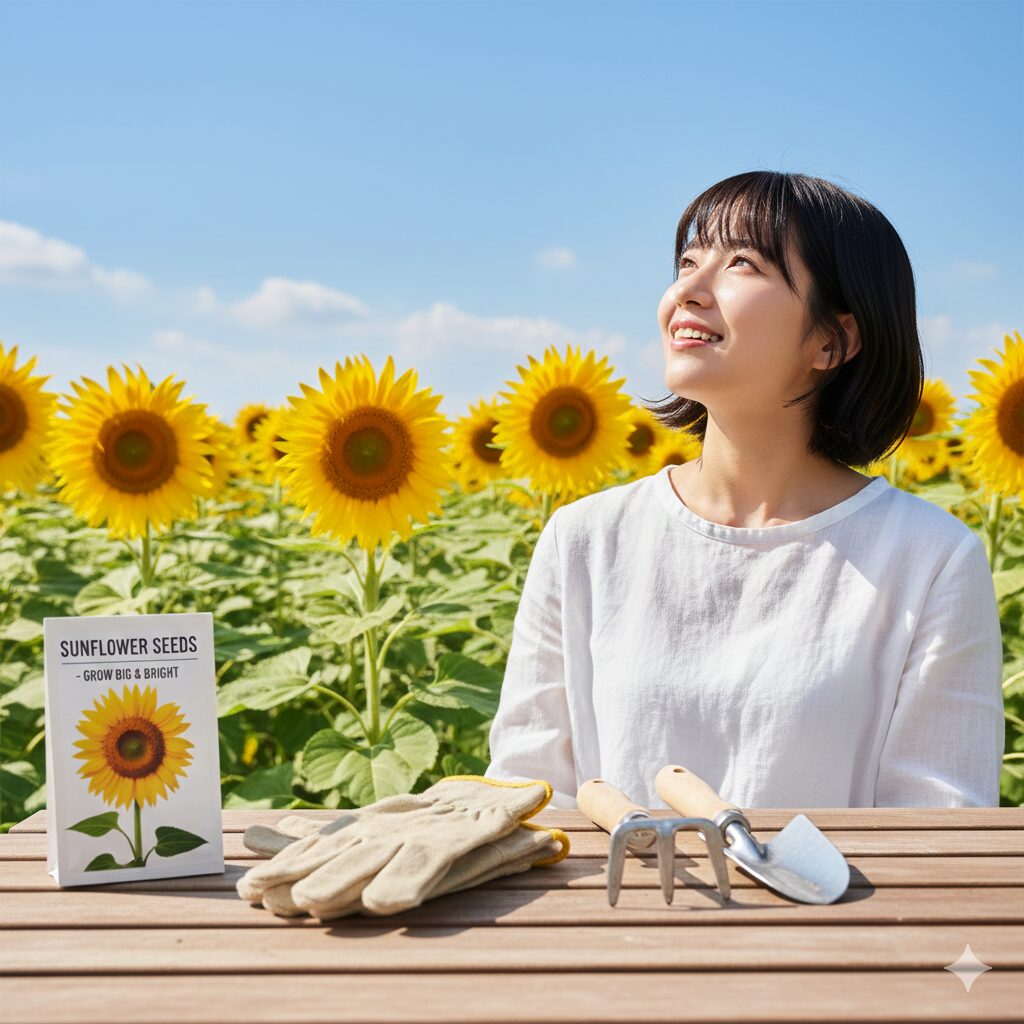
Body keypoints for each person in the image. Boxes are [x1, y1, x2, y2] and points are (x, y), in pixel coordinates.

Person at [484, 170, 1005, 809]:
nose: (688, 292)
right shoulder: (586, 540)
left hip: (837, 910)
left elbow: (938, 828)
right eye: (687, 261)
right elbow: (528, 796)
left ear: (832, 339)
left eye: (741, 264)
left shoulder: (927, 560)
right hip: (615, 908)